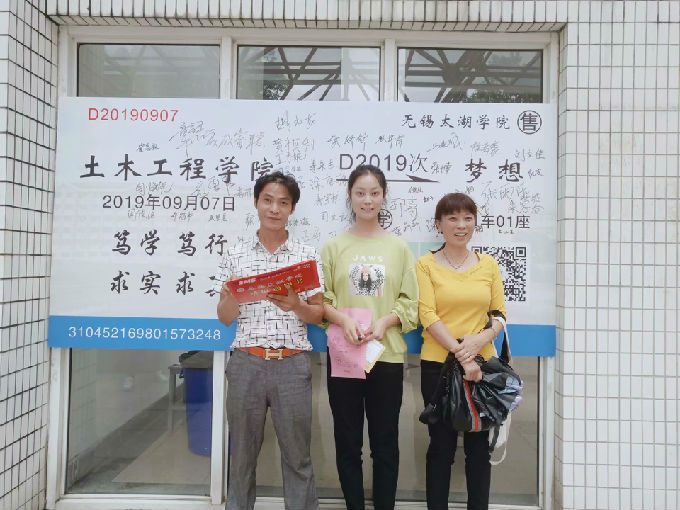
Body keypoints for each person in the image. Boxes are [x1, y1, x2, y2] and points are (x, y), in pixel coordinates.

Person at [215, 171, 324, 510]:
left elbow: (318, 313)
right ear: (256, 203)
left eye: (283, 203)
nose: (274, 209)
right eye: (268, 200)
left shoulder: (306, 256)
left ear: (292, 209)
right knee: (241, 456)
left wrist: (296, 305)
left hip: (292, 364)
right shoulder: (235, 255)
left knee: (297, 456)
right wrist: (232, 296)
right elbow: (225, 318)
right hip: (246, 362)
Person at [321, 164, 418, 510]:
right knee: (347, 442)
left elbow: (411, 302)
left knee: (385, 443)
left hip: (385, 356)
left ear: (384, 196)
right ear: (349, 196)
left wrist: (387, 321)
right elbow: (321, 301)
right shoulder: (334, 247)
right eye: (360, 193)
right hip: (344, 357)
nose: (367, 200)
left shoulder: (399, 248)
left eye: (374, 193)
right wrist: (341, 319)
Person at [415, 192, 507, 510]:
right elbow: (427, 315)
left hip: (484, 367)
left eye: (468, 218)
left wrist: (481, 340)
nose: (461, 225)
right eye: (452, 218)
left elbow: (499, 314)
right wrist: (463, 354)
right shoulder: (425, 265)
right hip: (438, 366)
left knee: (478, 448)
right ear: (439, 224)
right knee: (441, 447)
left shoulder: (489, 265)